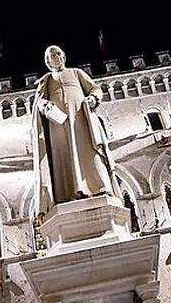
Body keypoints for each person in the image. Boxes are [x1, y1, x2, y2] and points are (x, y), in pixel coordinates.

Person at [32, 45, 116, 213]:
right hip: (58, 124)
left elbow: (95, 88)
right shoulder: (47, 80)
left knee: (87, 151)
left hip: (80, 118)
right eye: (52, 55)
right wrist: (45, 106)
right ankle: (67, 195)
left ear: (64, 56)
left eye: (58, 53)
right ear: (47, 62)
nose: (57, 56)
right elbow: (39, 102)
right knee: (63, 157)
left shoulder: (77, 73)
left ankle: (99, 187)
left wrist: (93, 98)